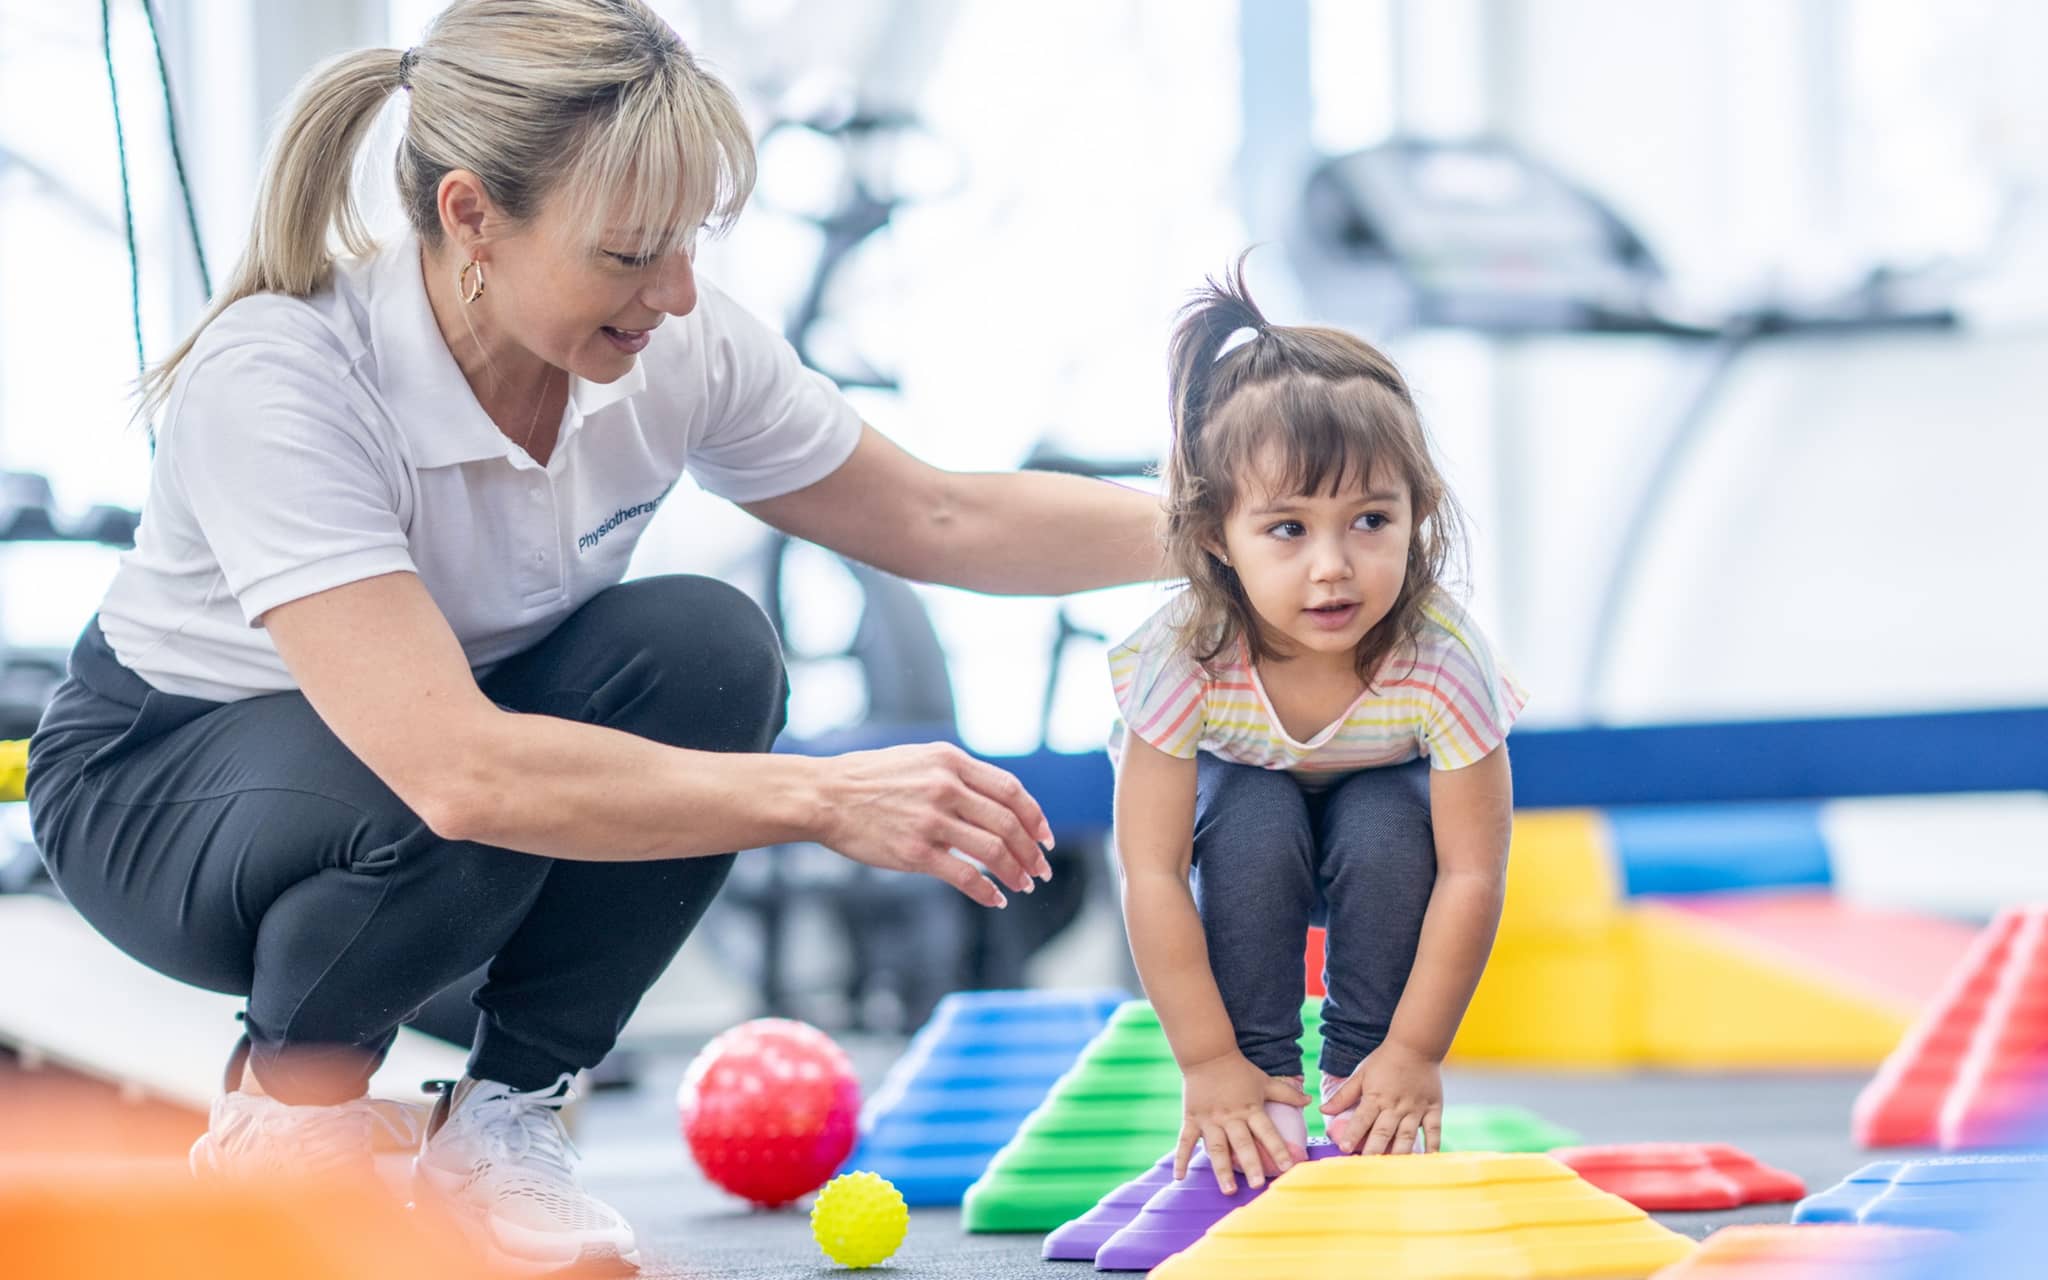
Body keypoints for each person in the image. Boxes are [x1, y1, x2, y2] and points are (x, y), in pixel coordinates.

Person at [24, 0, 1160, 1270]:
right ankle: (289, 1119)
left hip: (446, 748)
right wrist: (820, 796)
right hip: (163, 787)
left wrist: (1235, 536)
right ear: (470, 218)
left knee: (707, 647)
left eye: (684, 245)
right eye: (628, 255)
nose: (674, 293)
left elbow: (939, 513)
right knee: (458, 782)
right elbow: (459, 768)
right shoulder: (284, 375)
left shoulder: (676, 344)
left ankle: (507, 1119)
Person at [1107, 260, 1522, 1195]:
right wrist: (1211, 1067)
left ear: (1417, 515)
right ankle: (1263, 1098)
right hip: (1237, 827)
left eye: (1370, 520)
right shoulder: (1188, 653)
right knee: (1253, 811)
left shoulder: (1443, 655)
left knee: (1385, 817)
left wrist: (1415, 1051)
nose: (1333, 568)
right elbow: (1154, 873)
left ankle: (1361, 1093)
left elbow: (1472, 872)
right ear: (1217, 534)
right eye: (1287, 529)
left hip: (1376, 830)